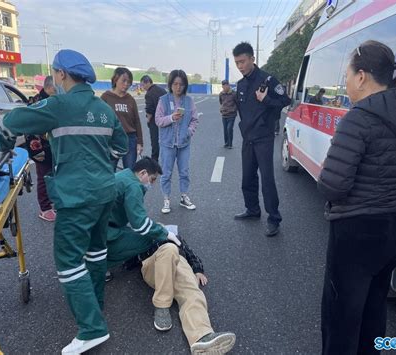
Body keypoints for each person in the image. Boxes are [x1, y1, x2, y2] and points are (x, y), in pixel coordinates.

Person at [0, 49, 128, 354]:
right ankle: (94, 307)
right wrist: (103, 165)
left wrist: (2, 144)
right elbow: (121, 145)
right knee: (95, 252)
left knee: (68, 262)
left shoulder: (58, 104)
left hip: (76, 196)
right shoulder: (104, 109)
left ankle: (92, 328)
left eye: (55, 72)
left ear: (62, 74)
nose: (54, 76)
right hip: (105, 191)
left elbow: (13, 121)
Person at [317, 40, 396, 355]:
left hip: (356, 231)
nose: (346, 82)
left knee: (341, 320)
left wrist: (327, 169)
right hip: (393, 224)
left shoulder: (358, 118)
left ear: (363, 76)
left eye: (347, 75)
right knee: (373, 313)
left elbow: (333, 186)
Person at [106, 157, 236, 354]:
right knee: (169, 249)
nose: (152, 184)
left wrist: (198, 268)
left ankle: (202, 337)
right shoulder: (147, 233)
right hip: (153, 263)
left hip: (178, 263)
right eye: (153, 179)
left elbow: (187, 248)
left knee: (191, 291)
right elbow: (134, 239)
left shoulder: (171, 234)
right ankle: (162, 304)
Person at [232, 42, 290, 237]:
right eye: (237, 63)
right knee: (247, 177)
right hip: (248, 138)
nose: (240, 66)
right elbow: (241, 111)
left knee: (267, 180)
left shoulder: (268, 80)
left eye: (243, 61)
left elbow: (285, 101)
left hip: (264, 138)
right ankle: (252, 209)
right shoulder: (240, 85)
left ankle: (274, 218)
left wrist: (266, 100)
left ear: (252, 59)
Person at [155, 69, 198, 214]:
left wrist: (188, 132)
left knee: (184, 172)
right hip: (167, 143)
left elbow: (194, 120)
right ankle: (166, 199)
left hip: (184, 143)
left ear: (185, 85)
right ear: (170, 84)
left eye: (181, 84)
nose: (178, 87)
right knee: (166, 173)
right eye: (175, 84)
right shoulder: (163, 100)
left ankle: (183, 196)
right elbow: (158, 120)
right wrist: (171, 118)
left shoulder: (189, 101)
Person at [24, 75, 56, 222]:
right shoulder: (36, 102)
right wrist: (37, 151)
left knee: (54, 175)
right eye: (56, 89)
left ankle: (52, 202)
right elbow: (30, 128)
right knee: (43, 177)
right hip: (40, 147)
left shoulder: (53, 101)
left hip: (53, 146)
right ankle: (45, 208)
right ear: (49, 87)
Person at [101, 67, 143, 170]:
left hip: (129, 138)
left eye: (129, 82)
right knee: (109, 170)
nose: (126, 84)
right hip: (111, 139)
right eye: (123, 81)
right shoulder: (106, 97)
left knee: (129, 171)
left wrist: (140, 142)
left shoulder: (130, 99)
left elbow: (137, 121)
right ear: (115, 80)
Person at [141, 75, 167, 161]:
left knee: (154, 140)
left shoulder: (149, 93)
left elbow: (149, 109)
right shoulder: (162, 90)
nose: (143, 87)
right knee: (165, 140)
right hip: (165, 118)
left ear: (148, 82)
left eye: (143, 85)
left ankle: (154, 159)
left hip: (154, 120)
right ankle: (166, 158)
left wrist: (148, 120)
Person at [219, 79, 238, 148]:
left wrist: (234, 109)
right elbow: (221, 102)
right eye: (223, 86)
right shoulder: (221, 94)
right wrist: (222, 109)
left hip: (232, 114)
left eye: (226, 85)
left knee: (229, 128)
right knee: (225, 129)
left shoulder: (234, 93)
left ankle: (230, 144)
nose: (224, 87)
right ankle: (226, 143)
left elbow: (237, 102)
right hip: (224, 114)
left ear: (228, 85)